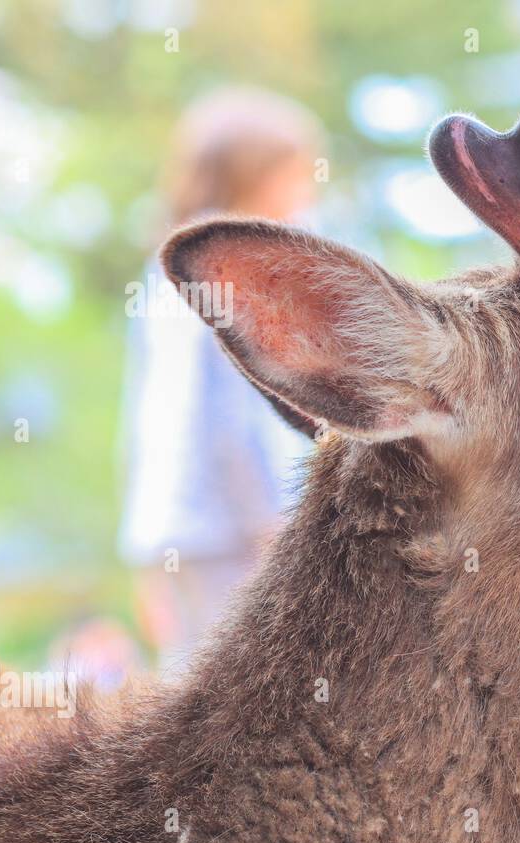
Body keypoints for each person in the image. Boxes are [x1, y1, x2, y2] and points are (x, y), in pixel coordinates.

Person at [118, 87, 324, 675]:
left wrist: (144, 551)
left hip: (172, 525)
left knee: (186, 693)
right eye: (298, 175)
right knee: (248, 696)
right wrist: (272, 523)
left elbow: (144, 419)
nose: (309, 194)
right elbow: (233, 417)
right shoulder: (235, 265)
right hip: (231, 526)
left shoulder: (166, 269)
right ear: (254, 176)